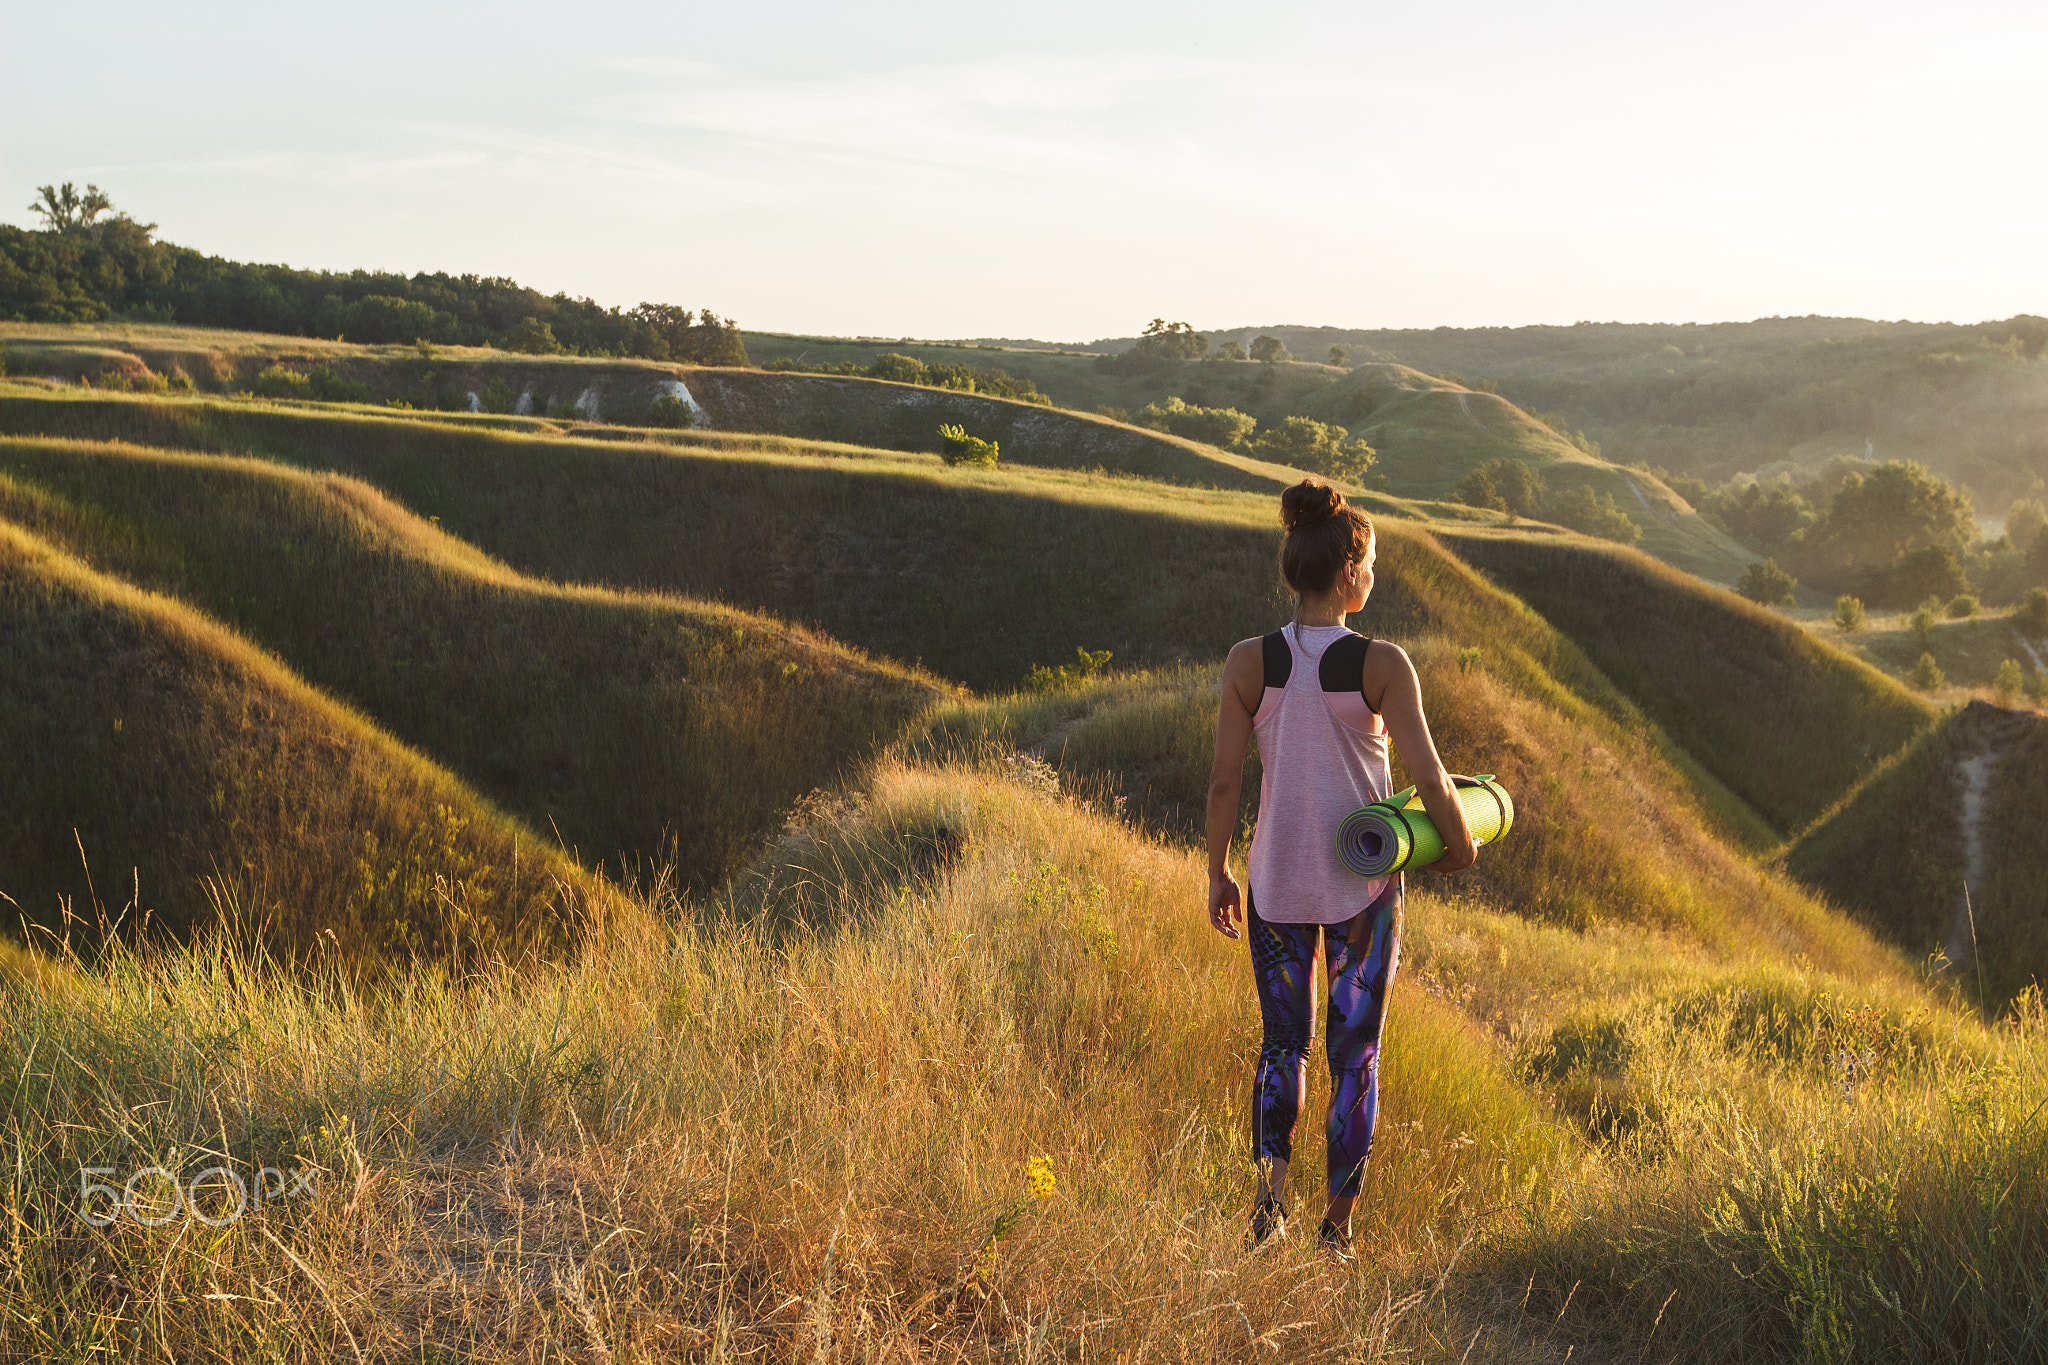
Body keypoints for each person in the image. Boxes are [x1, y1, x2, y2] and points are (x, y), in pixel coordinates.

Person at [1204, 477, 1478, 1257]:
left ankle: (1268, 1207)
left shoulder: (1248, 661)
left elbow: (1225, 780)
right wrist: (1459, 849)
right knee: (1355, 1057)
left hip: (1274, 883)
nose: (1375, 575)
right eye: (1375, 563)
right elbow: (1430, 780)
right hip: (1362, 892)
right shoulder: (1383, 663)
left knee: (1280, 1046)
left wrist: (1218, 870)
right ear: (1351, 570)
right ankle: (1337, 1230)